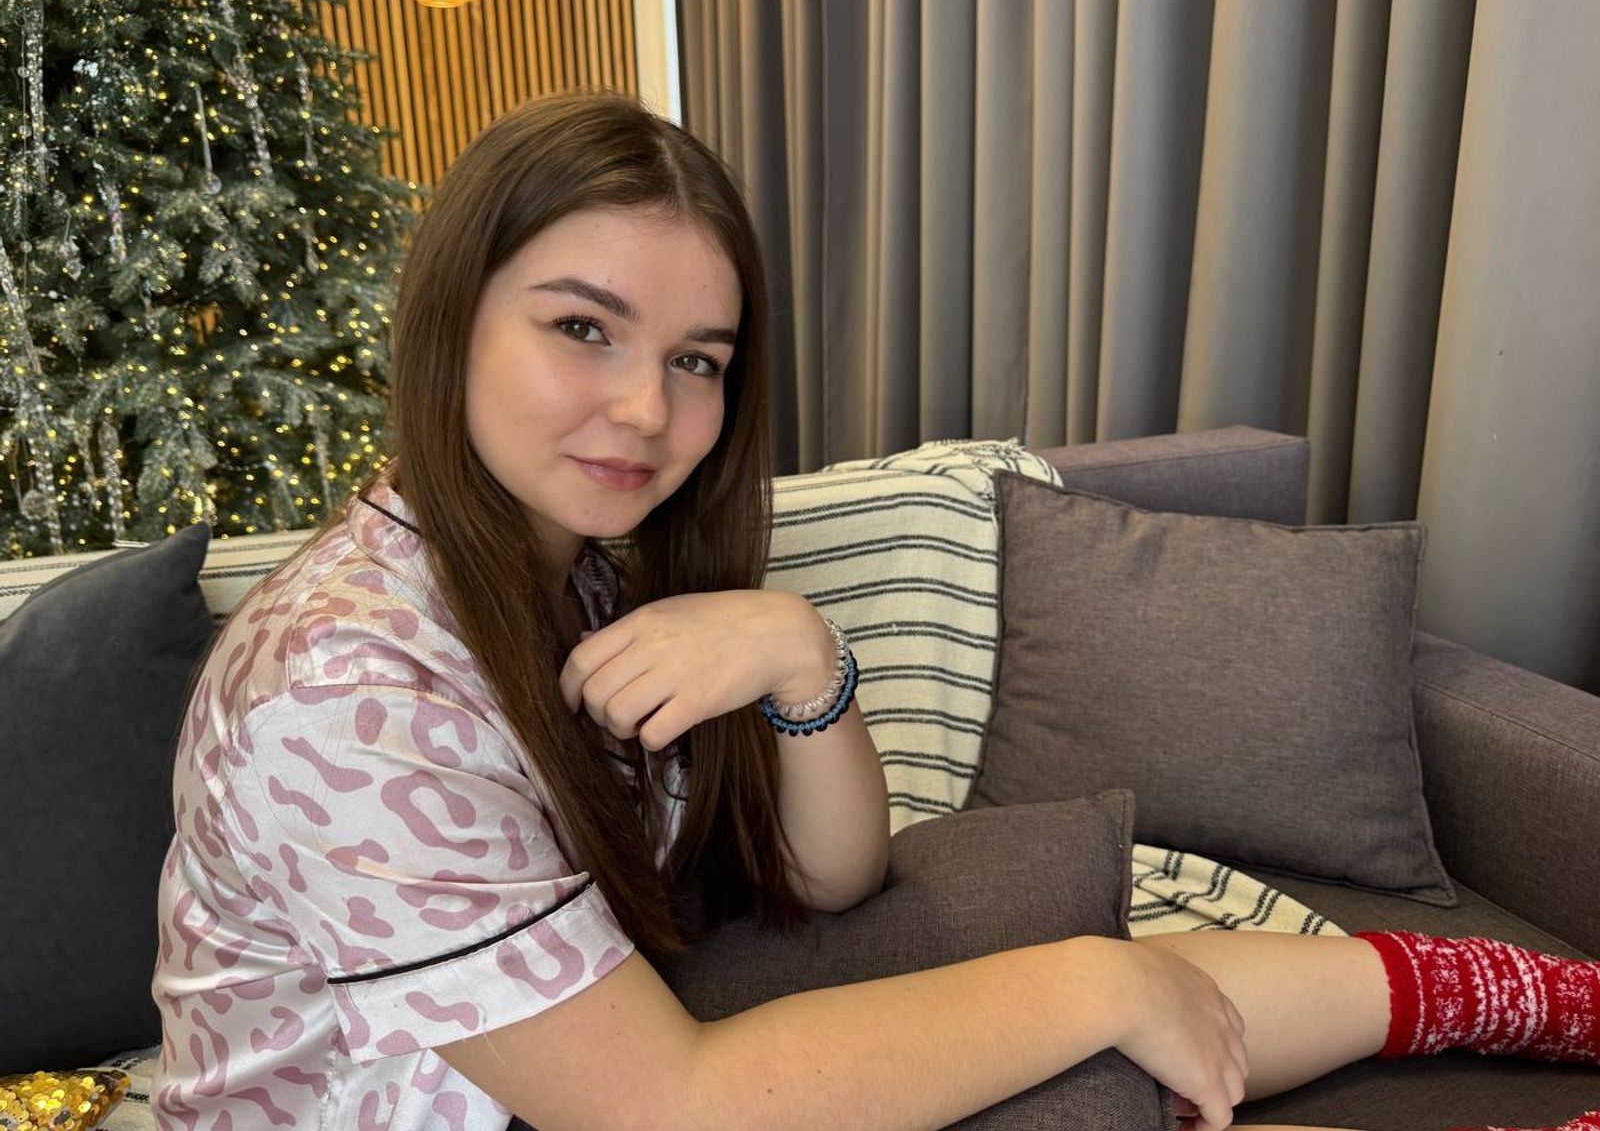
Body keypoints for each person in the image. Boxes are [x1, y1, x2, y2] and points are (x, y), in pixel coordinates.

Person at [151, 90, 1600, 1131]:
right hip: (573, 1098)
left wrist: (805, 655)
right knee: (1078, 1037)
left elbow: (833, 878)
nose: (649, 409)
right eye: (582, 328)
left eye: (698, 359)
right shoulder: (344, 689)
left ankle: (1512, 995)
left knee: (1028, 948)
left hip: (609, 1040)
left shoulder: (575, 566)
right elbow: (666, 1107)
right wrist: (1093, 989)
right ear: (450, 315)